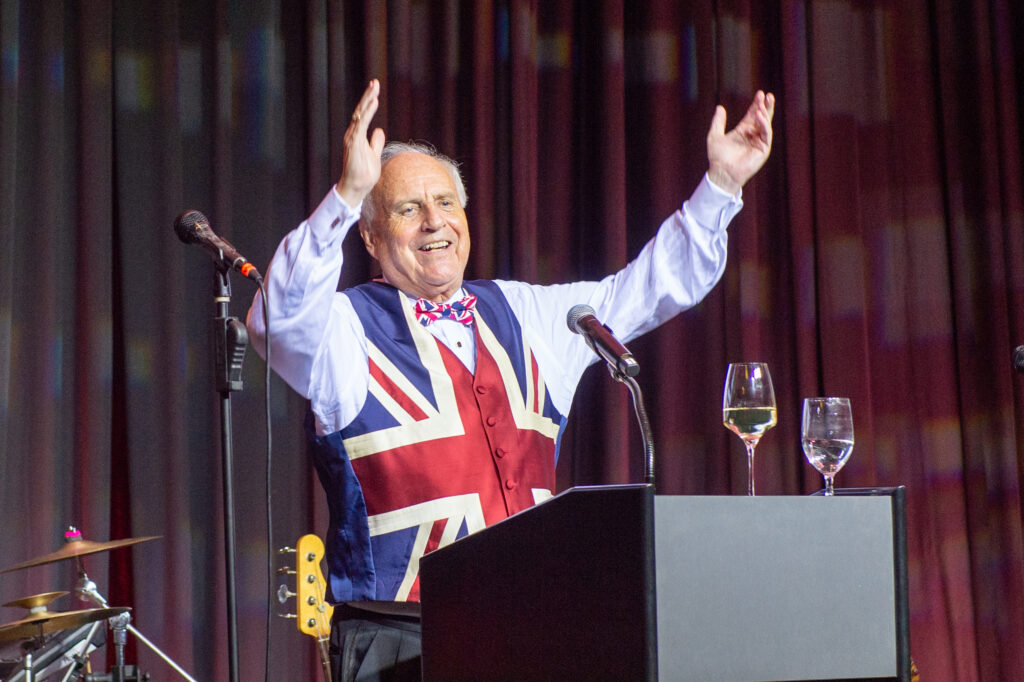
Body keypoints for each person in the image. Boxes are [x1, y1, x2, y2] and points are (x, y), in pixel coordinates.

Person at [247, 78, 775, 681]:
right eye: (406, 208)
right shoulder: (343, 329)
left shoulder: (533, 315)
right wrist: (346, 196)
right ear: (369, 235)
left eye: (446, 203)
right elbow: (275, 319)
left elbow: (651, 287)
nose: (433, 223)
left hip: (534, 631)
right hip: (399, 644)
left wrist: (722, 188)